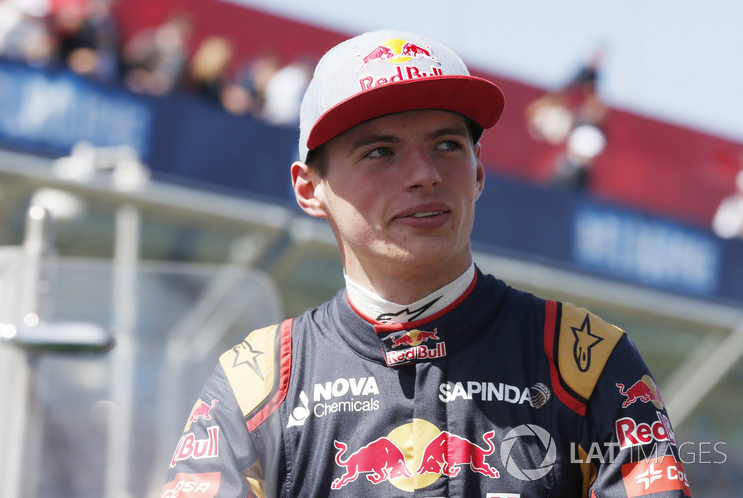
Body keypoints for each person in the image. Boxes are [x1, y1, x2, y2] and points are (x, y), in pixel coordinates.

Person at [161, 30, 691, 497]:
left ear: (479, 173)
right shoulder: (256, 380)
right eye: (380, 152)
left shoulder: (586, 359)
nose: (424, 174)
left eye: (446, 145)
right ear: (308, 187)